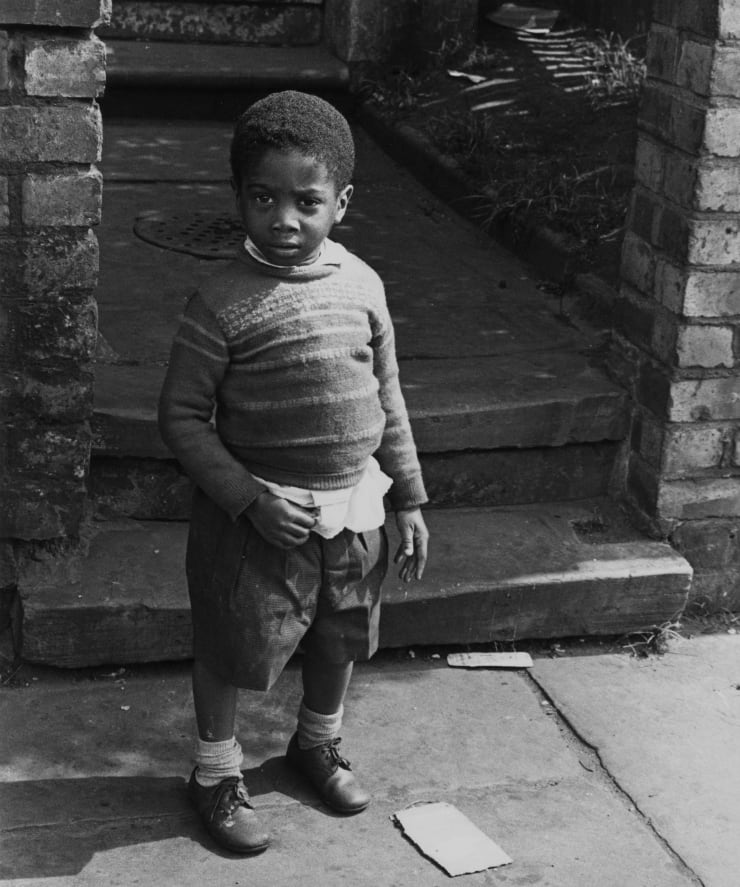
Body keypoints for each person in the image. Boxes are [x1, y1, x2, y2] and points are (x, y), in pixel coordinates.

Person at [158, 90, 429, 854]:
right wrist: (247, 498)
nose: (285, 219)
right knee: (233, 643)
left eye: (306, 201)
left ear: (340, 202)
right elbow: (180, 418)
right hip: (257, 521)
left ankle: (317, 741)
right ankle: (214, 771)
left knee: (342, 635)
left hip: (355, 512)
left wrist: (406, 496)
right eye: (264, 198)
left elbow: (388, 395)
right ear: (238, 198)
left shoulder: (364, 286)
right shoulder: (220, 303)